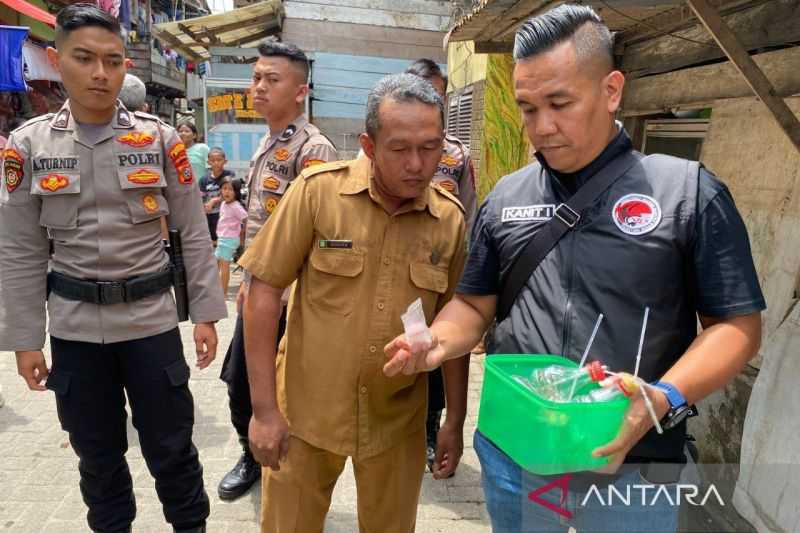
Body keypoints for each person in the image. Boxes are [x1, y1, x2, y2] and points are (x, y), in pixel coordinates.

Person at [383, 5, 765, 533]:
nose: (543, 127)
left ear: (611, 91)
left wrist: (663, 397)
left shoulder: (688, 194)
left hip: (631, 462)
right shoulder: (506, 199)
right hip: (515, 455)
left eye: (560, 103)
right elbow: (474, 304)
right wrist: (437, 340)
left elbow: (736, 327)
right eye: (527, 107)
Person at [0, 5, 227, 533]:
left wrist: (207, 316)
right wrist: (26, 339)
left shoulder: (158, 139)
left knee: (173, 455)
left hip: (151, 326)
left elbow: (193, 232)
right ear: (57, 60)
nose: (100, 73)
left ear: (126, 66)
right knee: (98, 462)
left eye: (113, 60)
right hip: (76, 334)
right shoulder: (29, 145)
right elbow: (19, 249)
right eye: (84, 59)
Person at [239, 72, 469, 533]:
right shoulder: (318, 192)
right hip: (305, 413)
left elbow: (456, 320)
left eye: (430, 147)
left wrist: (454, 420)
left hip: (396, 420)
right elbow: (261, 293)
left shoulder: (449, 221)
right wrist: (264, 411)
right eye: (400, 148)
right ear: (368, 144)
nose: (417, 164)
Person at [216, 41, 338, 501]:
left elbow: (320, 234)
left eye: (272, 79)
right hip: (257, 293)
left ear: (301, 90)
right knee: (240, 384)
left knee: (284, 393)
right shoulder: (269, 141)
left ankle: (287, 473)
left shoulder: (314, 149)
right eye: (256, 78)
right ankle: (252, 457)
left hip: (289, 302)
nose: (259, 87)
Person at [405, 57, 478, 475]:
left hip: (438, 272)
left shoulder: (456, 155)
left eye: (436, 91)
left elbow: (467, 214)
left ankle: (432, 431)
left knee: (438, 351)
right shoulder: (389, 141)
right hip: (397, 267)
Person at [215, 176, 247, 295]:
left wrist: (242, 234)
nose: (227, 192)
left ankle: (223, 294)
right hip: (222, 239)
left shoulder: (235, 206)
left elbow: (246, 218)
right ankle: (217, 291)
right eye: (224, 188)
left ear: (236, 192)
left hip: (229, 239)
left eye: (230, 189)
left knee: (224, 267)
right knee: (215, 265)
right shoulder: (224, 204)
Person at [198, 146, 236, 244]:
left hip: (227, 213)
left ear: (225, 161)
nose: (216, 163)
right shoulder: (203, 179)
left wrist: (214, 200)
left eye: (219, 160)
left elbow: (231, 194)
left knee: (225, 238)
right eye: (213, 160)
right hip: (211, 215)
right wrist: (204, 206)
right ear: (208, 162)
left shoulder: (229, 175)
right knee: (213, 239)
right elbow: (201, 197)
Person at [177, 121, 209, 186]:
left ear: (194, 135)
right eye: (180, 131)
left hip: (201, 190)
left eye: (186, 131)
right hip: (182, 191)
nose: (183, 133)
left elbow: (211, 170)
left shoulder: (202, 148)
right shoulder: (175, 151)